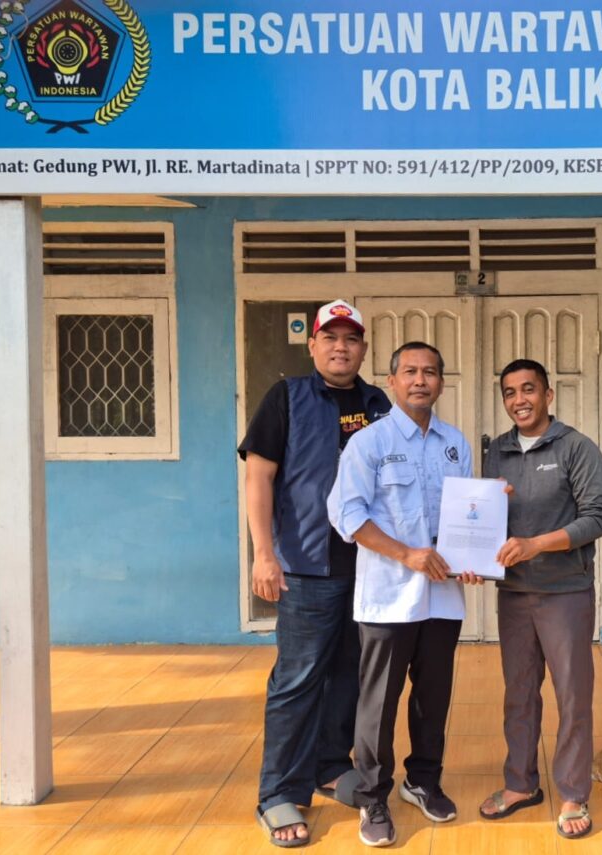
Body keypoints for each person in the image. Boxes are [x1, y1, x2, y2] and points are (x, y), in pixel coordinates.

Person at [239, 299, 391, 848]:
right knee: (297, 679)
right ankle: (279, 791)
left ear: (363, 349)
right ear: (313, 345)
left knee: (350, 674)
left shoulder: (378, 404)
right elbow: (259, 478)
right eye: (330, 337)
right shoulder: (286, 398)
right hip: (306, 565)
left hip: (369, 567)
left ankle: (330, 764)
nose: (340, 347)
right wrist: (263, 553)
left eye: (351, 339)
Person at [327, 341, 481, 848]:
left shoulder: (455, 443)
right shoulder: (368, 443)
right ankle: (373, 797)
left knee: (433, 697)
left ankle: (423, 781)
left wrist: (476, 554)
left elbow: (465, 516)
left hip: (443, 597)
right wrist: (406, 554)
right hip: (389, 596)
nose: (420, 380)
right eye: (410, 371)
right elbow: (347, 515)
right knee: (379, 703)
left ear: (441, 382)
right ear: (391, 381)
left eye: (430, 372)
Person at [478, 359, 602, 840]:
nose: (519, 400)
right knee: (518, 692)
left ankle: (573, 791)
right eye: (510, 392)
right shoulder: (497, 451)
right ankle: (520, 784)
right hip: (514, 594)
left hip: (564, 592)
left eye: (528, 389)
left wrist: (537, 544)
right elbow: (484, 518)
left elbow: (596, 518)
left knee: (572, 695)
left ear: (548, 395)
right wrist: (472, 555)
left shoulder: (576, 447)